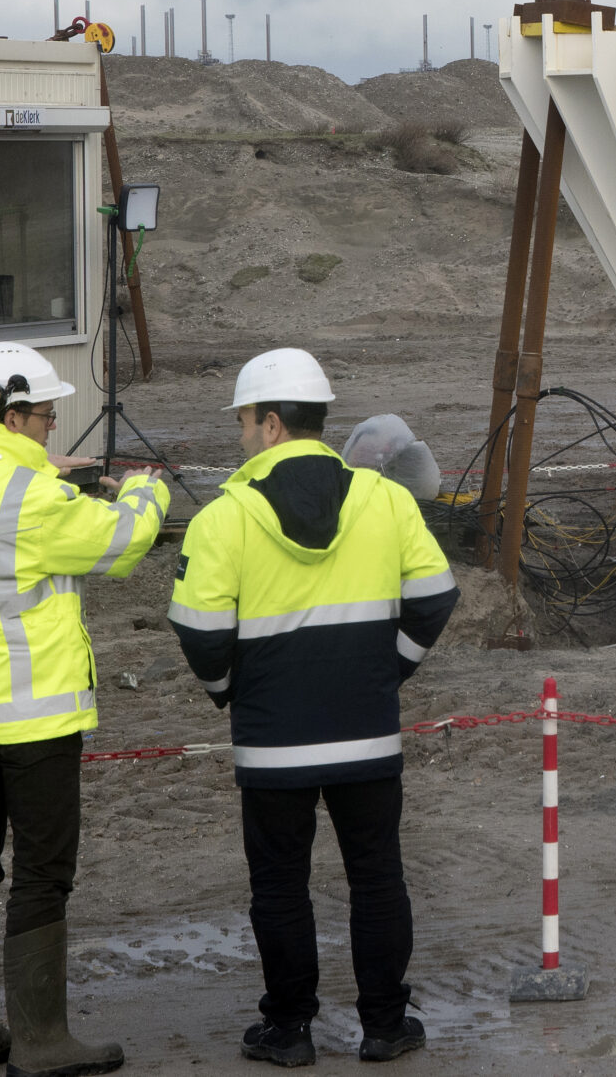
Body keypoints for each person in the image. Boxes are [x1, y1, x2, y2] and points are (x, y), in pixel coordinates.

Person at [170, 347, 460, 1067]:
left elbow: (200, 627)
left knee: (279, 884)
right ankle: (387, 1024)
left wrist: (228, 692)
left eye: (242, 420)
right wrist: (384, 672)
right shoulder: (385, 498)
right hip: (365, 732)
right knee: (377, 876)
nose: (238, 434)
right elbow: (435, 596)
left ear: (270, 424)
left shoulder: (226, 514)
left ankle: (290, 1027)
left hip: (272, 740)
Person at [0, 341, 169, 1077]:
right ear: (14, 413)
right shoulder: (38, 502)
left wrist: (39, 465)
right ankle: (43, 1042)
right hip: (33, 720)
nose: (55, 428)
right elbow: (123, 543)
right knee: (44, 872)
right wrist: (145, 489)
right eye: (48, 417)